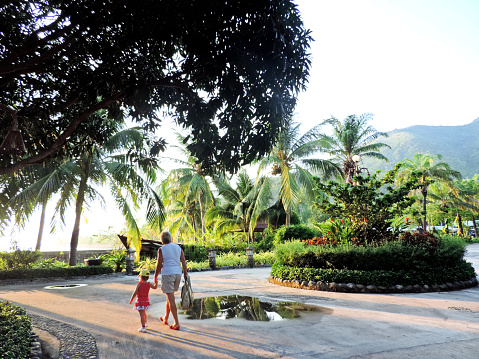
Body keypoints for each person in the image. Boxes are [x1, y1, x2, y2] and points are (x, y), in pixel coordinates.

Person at [154, 231, 188, 330]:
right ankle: (166, 317)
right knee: (170, 296)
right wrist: (185, 274)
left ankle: (176, 323)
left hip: (168, 274)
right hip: (178, 273)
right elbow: (183, 261)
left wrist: (155, 276)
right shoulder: (178, 247)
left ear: (161, 240)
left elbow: (159, 265)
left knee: (171, 298)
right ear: (170, 238)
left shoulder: (161, 249)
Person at [129, 268, 158, 333]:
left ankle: (143, 327)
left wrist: (131, 299)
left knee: (141, 314)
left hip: (140, 301)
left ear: (141, 277)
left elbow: (135, 293)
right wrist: (156, 282)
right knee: (143, 312)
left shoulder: (139, 284)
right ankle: (145, 322)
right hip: (146, 301)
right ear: (147, 277)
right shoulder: (149, 284)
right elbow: (155, 287)